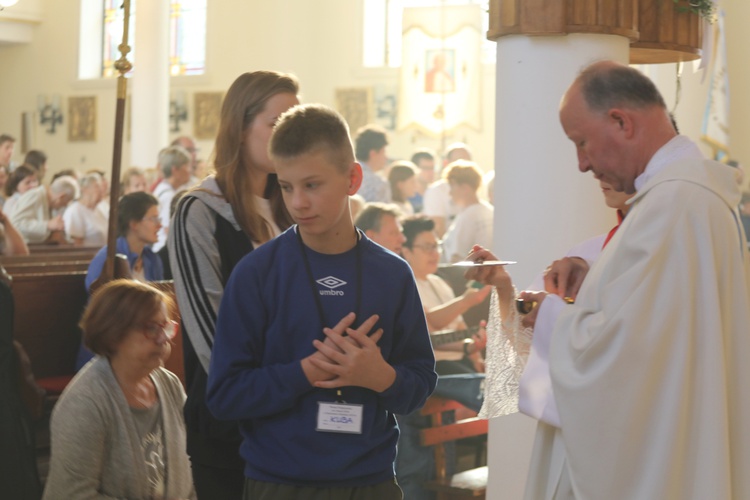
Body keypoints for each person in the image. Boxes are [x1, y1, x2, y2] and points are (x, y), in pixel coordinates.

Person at [474, 60, 750, 499]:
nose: (581, 164)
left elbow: (620, 359)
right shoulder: (683, 202)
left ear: (621, 121)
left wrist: (546, 315)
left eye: (581, 142)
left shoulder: (674, 207)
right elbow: (658, 336)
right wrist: (597, 277)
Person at [206, 103, 437, 498]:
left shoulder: (393, 274)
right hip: (278, 482)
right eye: (285, 186)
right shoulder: (256, 273)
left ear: (352, 178)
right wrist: (305, 373)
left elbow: (419, 385)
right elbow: (225, 396)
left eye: (312, 185)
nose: (297, 202)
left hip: (369, 482)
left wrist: (378, 375)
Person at [168, 70, 298, 499]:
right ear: (240, 127)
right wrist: (292, 378)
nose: (289, 135)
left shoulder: (291, 214)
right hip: (233, 427)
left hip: (294, 419)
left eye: (296, 122)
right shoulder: (198, 212)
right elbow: (213, 339)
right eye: (277, 123)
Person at [43, 280, 195, 499]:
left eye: (166, 327)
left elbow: (186, 471)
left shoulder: (169, 384)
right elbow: (72, 494)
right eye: (152, 328)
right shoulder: (85, 403)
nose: (164, 339)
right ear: (113, 333)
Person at [441, 160, 493, 263]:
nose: (450, 193)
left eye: (452, 186)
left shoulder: (468, 217)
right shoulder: (490, 211)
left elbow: (456, 257)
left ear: (465, 188)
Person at [10, 174, 78, 244]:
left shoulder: (50, 202)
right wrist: (48, 225)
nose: (65, 205)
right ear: (61, 196)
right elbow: (15, 224)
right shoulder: (35, 195)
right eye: (67, 201)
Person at [423, 143, 471, 237]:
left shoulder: (472, 189)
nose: (464, 167)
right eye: (458, 162)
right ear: (446, 163)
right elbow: (438, 229)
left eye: (467, 162)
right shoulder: (436, 191)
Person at [152, 145, 192, 252]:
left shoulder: (165, 189)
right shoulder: (168, 196)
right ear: (175, 170)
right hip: (164, 250)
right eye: (187, 166)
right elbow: (168, 229)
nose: (190, 171)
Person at [63, 172, 108, 247]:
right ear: (84, 189)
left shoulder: (101, 209)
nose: (101, 190)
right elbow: (76, 244)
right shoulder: (75, 210)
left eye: (101, 187)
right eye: (96, 186)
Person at [354, 124, 391, 203]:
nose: (386, 157)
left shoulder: (343, 175)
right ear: (373, 153)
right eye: (384, 152)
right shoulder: (379, 184)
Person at [408, 148, 437, 213]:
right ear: (415, 168)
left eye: (432, 168)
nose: (431, 172)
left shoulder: (437, 193)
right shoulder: (407, 195)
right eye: (426, 168)